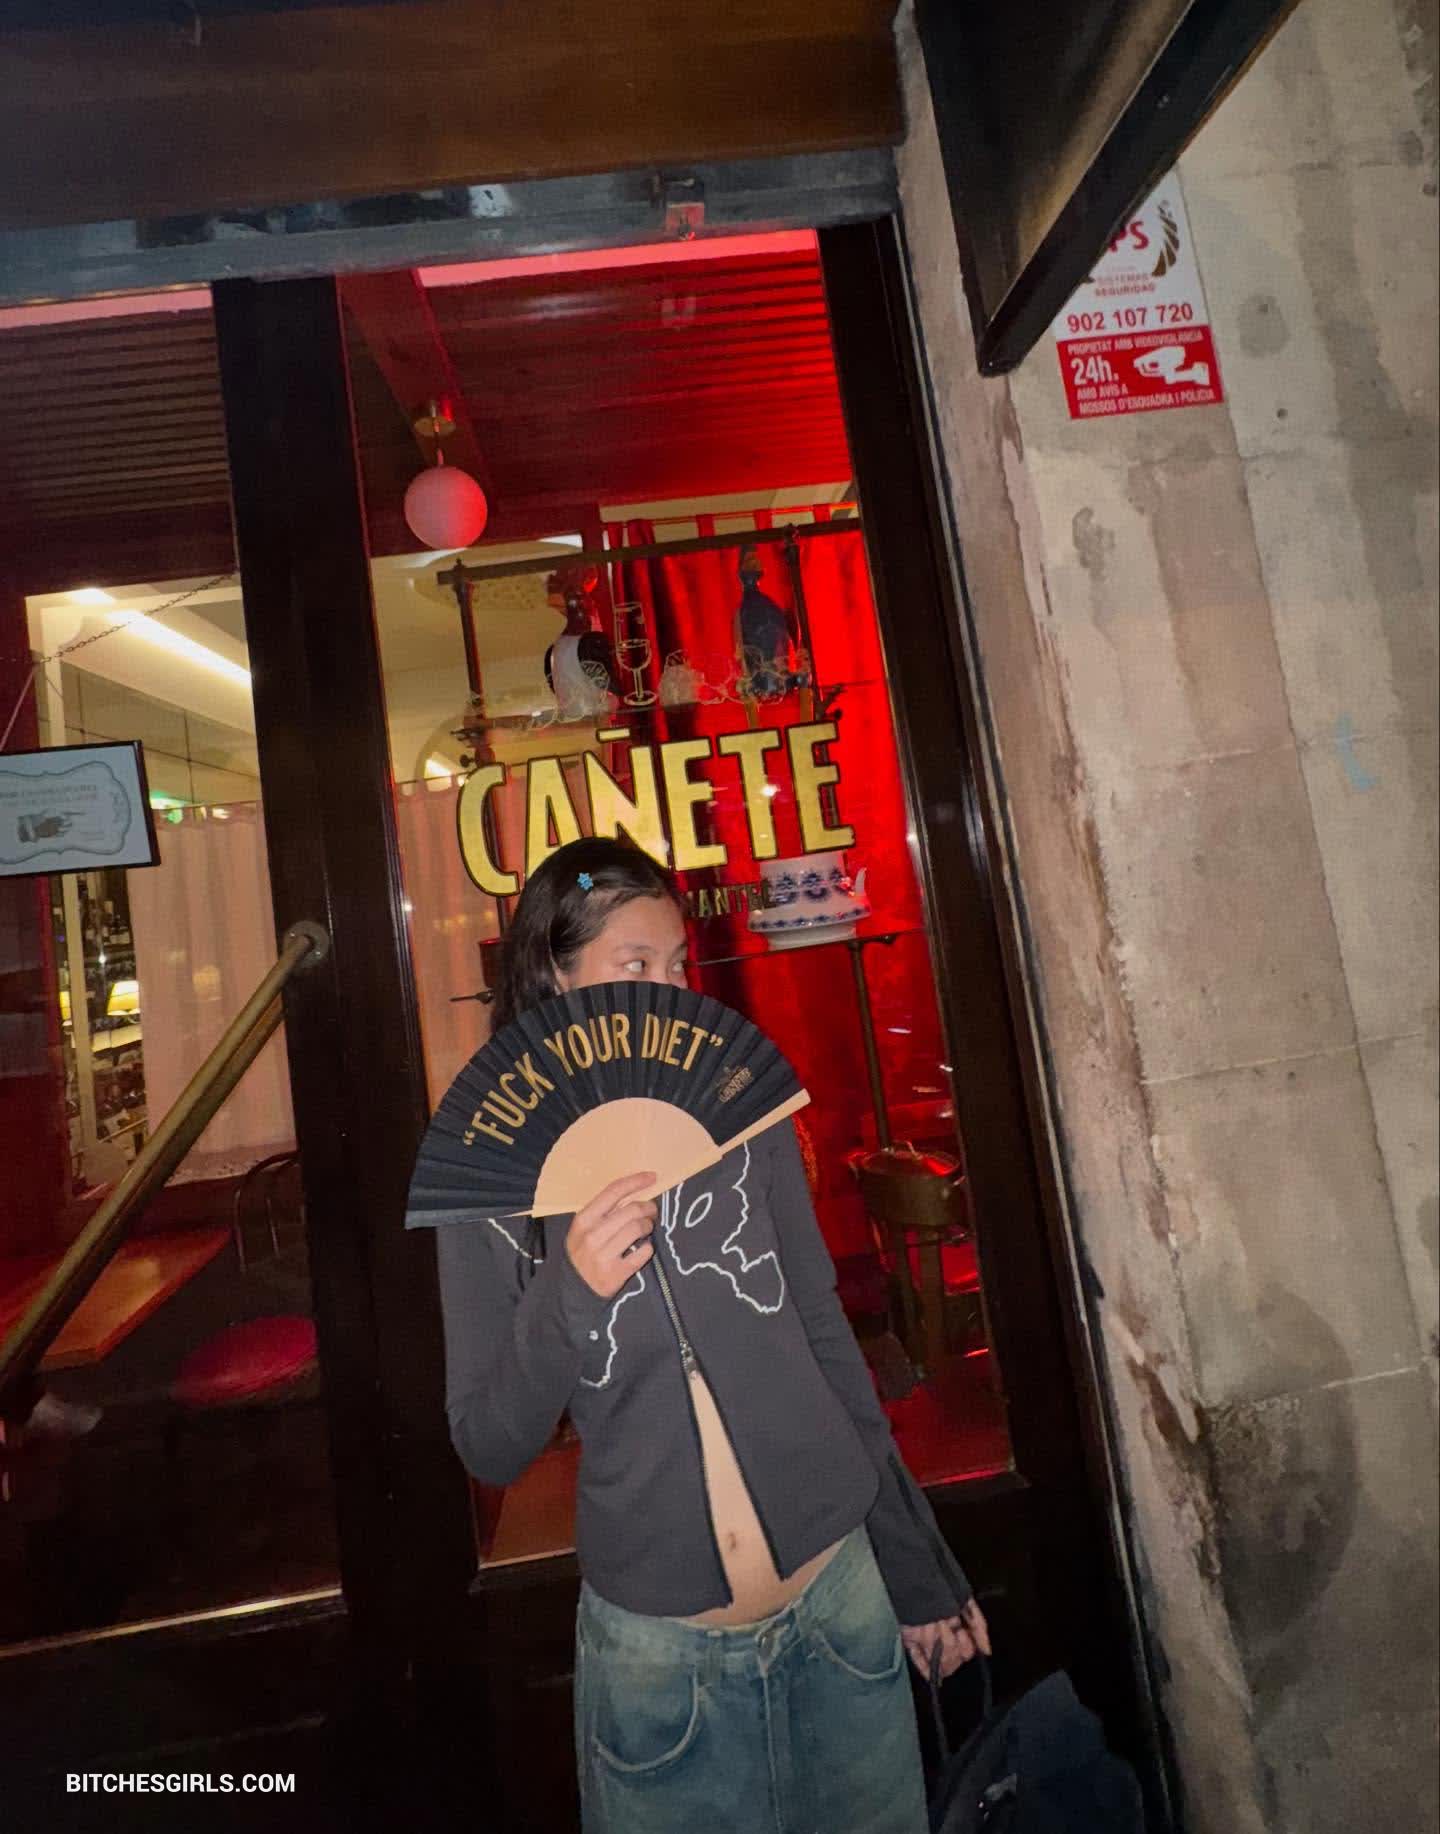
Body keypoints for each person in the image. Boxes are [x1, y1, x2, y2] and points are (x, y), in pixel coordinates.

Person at [420, 835, 990, 1833]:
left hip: (840, 1606)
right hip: (661, 1667)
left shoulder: (736, 1104)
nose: (669, 991)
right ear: (555, 978)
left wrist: (915, 1568)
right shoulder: (493, 1170)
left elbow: (827, 1342)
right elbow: (489, 1442)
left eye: (677, 964)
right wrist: (568, 1289)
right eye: (633, 963)